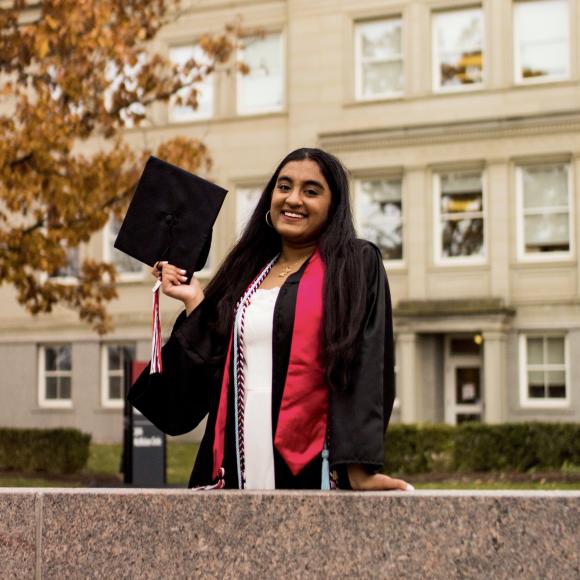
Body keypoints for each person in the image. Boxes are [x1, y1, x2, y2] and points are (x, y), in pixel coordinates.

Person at [128, 147, 412, 492]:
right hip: (233, 461)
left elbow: (367, 363)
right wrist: (195, 303)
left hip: (311, 464)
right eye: (284, 187)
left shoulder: (354, 264)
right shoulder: (244, 272)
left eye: (311, 191)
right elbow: (208, 380)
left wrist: (359, 468)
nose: (293, 199)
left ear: (333, 205)